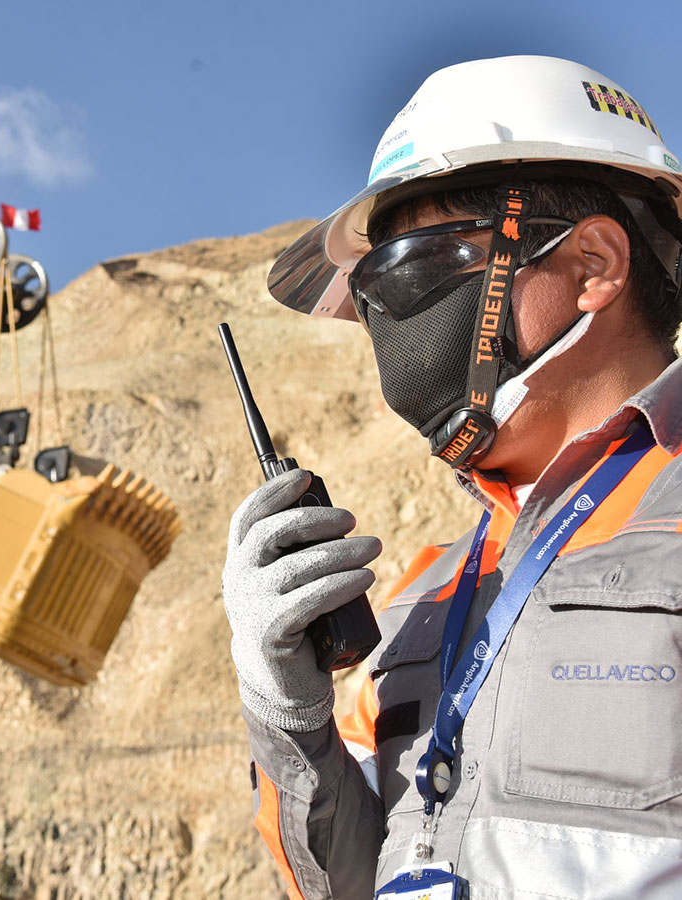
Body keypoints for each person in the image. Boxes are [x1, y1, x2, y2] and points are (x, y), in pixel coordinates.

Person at [221, 55, 682, 899]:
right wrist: (289, 716)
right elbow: (343, 884)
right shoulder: (417, 597)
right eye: (370, 299)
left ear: (591, 265)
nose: (391, 328)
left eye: (413, 273)